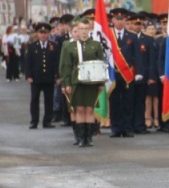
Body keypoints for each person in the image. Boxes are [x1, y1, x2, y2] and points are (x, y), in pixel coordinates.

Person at [59, 18, 106, 148]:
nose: (84, 32)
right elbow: (66, 66)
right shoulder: (70, 46)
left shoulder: (95, 45)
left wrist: (101, 83)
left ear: (89, 30)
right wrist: (66, 83)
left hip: (91, 81)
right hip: (77, 81)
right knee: (79, 108)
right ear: (77, 30)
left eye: (86, 29)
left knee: (89, 109)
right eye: (81, 29)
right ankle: (80, 137)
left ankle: (88, 137)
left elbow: (101, 64)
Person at [24, 22, 60, 129]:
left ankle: (47, 121)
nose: (43, 35)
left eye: (45, 33)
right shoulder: (32, 46)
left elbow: (57, 62)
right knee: (34, 99)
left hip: (49, 77)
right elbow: (28, 62)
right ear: (37, 34)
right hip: (36, 78)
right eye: (41, 33)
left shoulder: (54, 46)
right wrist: (28, 75)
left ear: (48, 34)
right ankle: (34, 121)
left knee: (49, 100)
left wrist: (58, 76)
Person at [108, 8, 138, 138]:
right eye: (117, 19)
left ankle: (127, 128)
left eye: (122, 19)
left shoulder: (132, 36)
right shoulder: (108, 36)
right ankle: (115, 128)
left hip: (128, 74)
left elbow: (137, 56)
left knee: (128, 102)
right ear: (113, 20)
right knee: (114, 102)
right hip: (113, 74)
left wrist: (139, 72)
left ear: (125, 20)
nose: (119, 22)